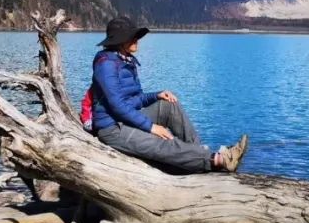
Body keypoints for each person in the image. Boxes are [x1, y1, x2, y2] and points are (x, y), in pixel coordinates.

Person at [90, 16, 248, 173]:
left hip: (126, 118)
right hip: (112, 128)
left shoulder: (125, 60)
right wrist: (151, 127)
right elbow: (117, 106)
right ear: (120, 41)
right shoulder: (106, 64)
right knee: (162, 141)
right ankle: (218, 159)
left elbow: (135, 99)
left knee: (169, 105)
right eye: (132, 36)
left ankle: (197, 152)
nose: (137, 39)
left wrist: (157, 95)